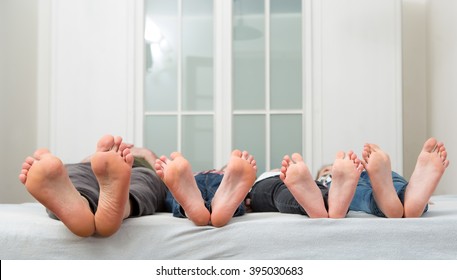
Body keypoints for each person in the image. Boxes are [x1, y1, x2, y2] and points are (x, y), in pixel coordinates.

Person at [248, 137, 449, 219]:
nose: (329, 170)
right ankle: (409, 197)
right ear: (321, 176)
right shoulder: (325, 182)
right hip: (334, 188)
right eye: (327, 170)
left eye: (330, 169)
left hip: (338, 187)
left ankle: (407, 195)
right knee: (367, 191)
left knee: (358, 192)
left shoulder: (340, 178)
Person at [19, 135, 168, 237]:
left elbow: (161, 170)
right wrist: (99, 158)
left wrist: (145, 153)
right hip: (93, 167)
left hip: (127, 168)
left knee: (76, 176)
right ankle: (117, 208)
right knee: (144, 183)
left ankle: (87, 205)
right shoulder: (101, 159)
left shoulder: (143, 155)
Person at [247, 150, 364, 218]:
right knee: (282, 190)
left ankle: (326, 205)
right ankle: (329, 205)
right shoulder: (254, 184)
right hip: (270, 183)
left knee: (312, 190)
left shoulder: (308, 181)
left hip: (304, 185)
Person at [154, 150, 257, 227]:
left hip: (194, 180)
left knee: (175, 195)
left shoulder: (191, 176)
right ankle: (217, 205)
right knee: (228, 193)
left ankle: (188, 211)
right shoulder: (221, 174)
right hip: (221, 180)